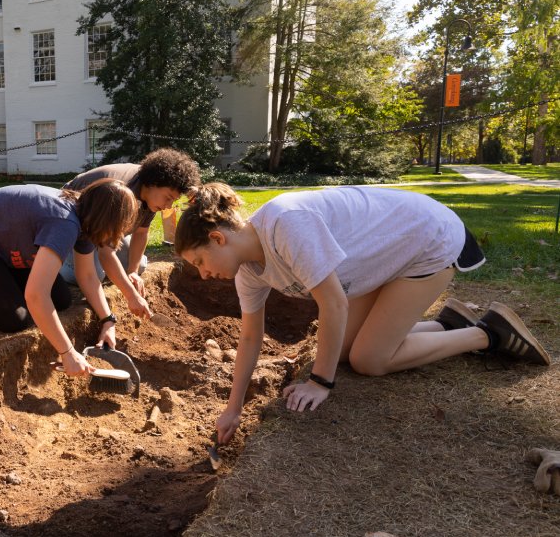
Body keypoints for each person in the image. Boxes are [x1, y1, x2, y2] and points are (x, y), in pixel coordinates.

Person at [175, 183, 551, 445]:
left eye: (201, 262)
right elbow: (249, 337)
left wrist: (320, 382)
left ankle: (487, 333)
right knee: (341, 351)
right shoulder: (248, 272)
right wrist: (232, 409)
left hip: (426, 242)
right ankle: (447, 323)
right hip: (381, 261)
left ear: (218, 238)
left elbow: (333, 304)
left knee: (369, 359)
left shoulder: (284, 224)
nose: (205, 273)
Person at [0, 180, 139, 376]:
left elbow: (86, 276)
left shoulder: (85, 221)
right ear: (107, 220)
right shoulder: (64, 223)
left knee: (61, 299)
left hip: (6, 246)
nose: (120, 236)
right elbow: (36, 295)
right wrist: (67, 352)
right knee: (14, 319)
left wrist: (107, 321)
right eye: (120, 227)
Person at [59, 148, 200, 318]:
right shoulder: (120, 191)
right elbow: (106, 252)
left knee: (138, 265)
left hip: (102, 232)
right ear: (153, 182)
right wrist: (131, 296)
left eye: (173, 200)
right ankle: (61, 265)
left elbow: (141, 233)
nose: (169, 206)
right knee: (96, 274)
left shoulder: (150, 195)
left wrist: (132, 271)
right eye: (168, 197)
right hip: (71, 230)